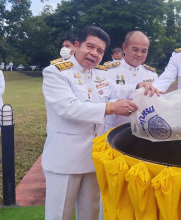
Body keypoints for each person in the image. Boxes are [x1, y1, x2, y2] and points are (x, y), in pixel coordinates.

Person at [42, 26, 158, 220]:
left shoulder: (99, 75)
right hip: (65, 160)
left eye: (100, 51)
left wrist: (139, 86)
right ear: (77, 46)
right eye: (90, 46)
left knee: (90, 213)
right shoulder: (56, 73)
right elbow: (69, 108)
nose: (94, 53)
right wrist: (110, 108)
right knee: (59, 214)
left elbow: (118, 90)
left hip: (94, 157)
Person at [105, 31, 158, 129]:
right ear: (124, 47)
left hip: (144, 130)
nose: (139, 54)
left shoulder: (152, 74)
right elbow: (103, 97)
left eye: (144, 51)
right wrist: (118, 103)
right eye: (135, 49)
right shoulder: (107, 71)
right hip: (115, 129)